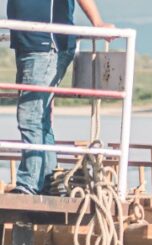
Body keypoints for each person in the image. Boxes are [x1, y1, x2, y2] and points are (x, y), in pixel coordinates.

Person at [6, 0, 113, 194]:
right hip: (29, 43)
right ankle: (50, 180)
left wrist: (97, 22)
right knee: (39, 117)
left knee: (31, 116)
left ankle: (29, 184)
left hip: (46, 43)